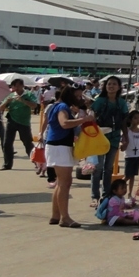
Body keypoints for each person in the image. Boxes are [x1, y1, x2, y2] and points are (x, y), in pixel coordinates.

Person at [44, 86, 95, 227]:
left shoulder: (57, 105)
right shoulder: (62, 106)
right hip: (60, 146)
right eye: (78, 96)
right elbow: (64, 123)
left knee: (61, 182)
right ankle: (64, 217)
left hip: (56, 145)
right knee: (65, 182)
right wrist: (83, 120)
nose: (79, 99)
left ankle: (56, 215)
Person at [90, 76, 130, 208]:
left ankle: (106, 195)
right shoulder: (99, 101)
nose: (111, 86)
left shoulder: (122, 103)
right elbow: (92, 118)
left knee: (108, 168)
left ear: (119, 87)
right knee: (98, 168)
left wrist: (125, 137)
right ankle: (95, 196)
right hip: (100, 138)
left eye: (114, 84)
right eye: (109, 84)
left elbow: (124, 121)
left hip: (114, 138)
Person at [0, 79, 37, 171]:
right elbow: (0, 108)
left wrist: (23, 101)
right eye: (14, 86)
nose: (16, 88)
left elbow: (34, 105)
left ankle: (37, 161)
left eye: (18, 86)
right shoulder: (10, 95)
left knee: (27, 143)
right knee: (7, 143)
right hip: (11, 121)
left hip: (24, 122)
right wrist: (6, 102)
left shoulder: (28, 95)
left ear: (22, 86)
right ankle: (7, 164)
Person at [123, 111, 139, 202]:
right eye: (135, 118)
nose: (138, 120)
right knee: (127, 175)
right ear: (130, 119)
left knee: (133, 176)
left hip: (137, 156)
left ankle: (130, 193)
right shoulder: (127, 131)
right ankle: (118, 187)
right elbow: (124, 141)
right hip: (129, 156)